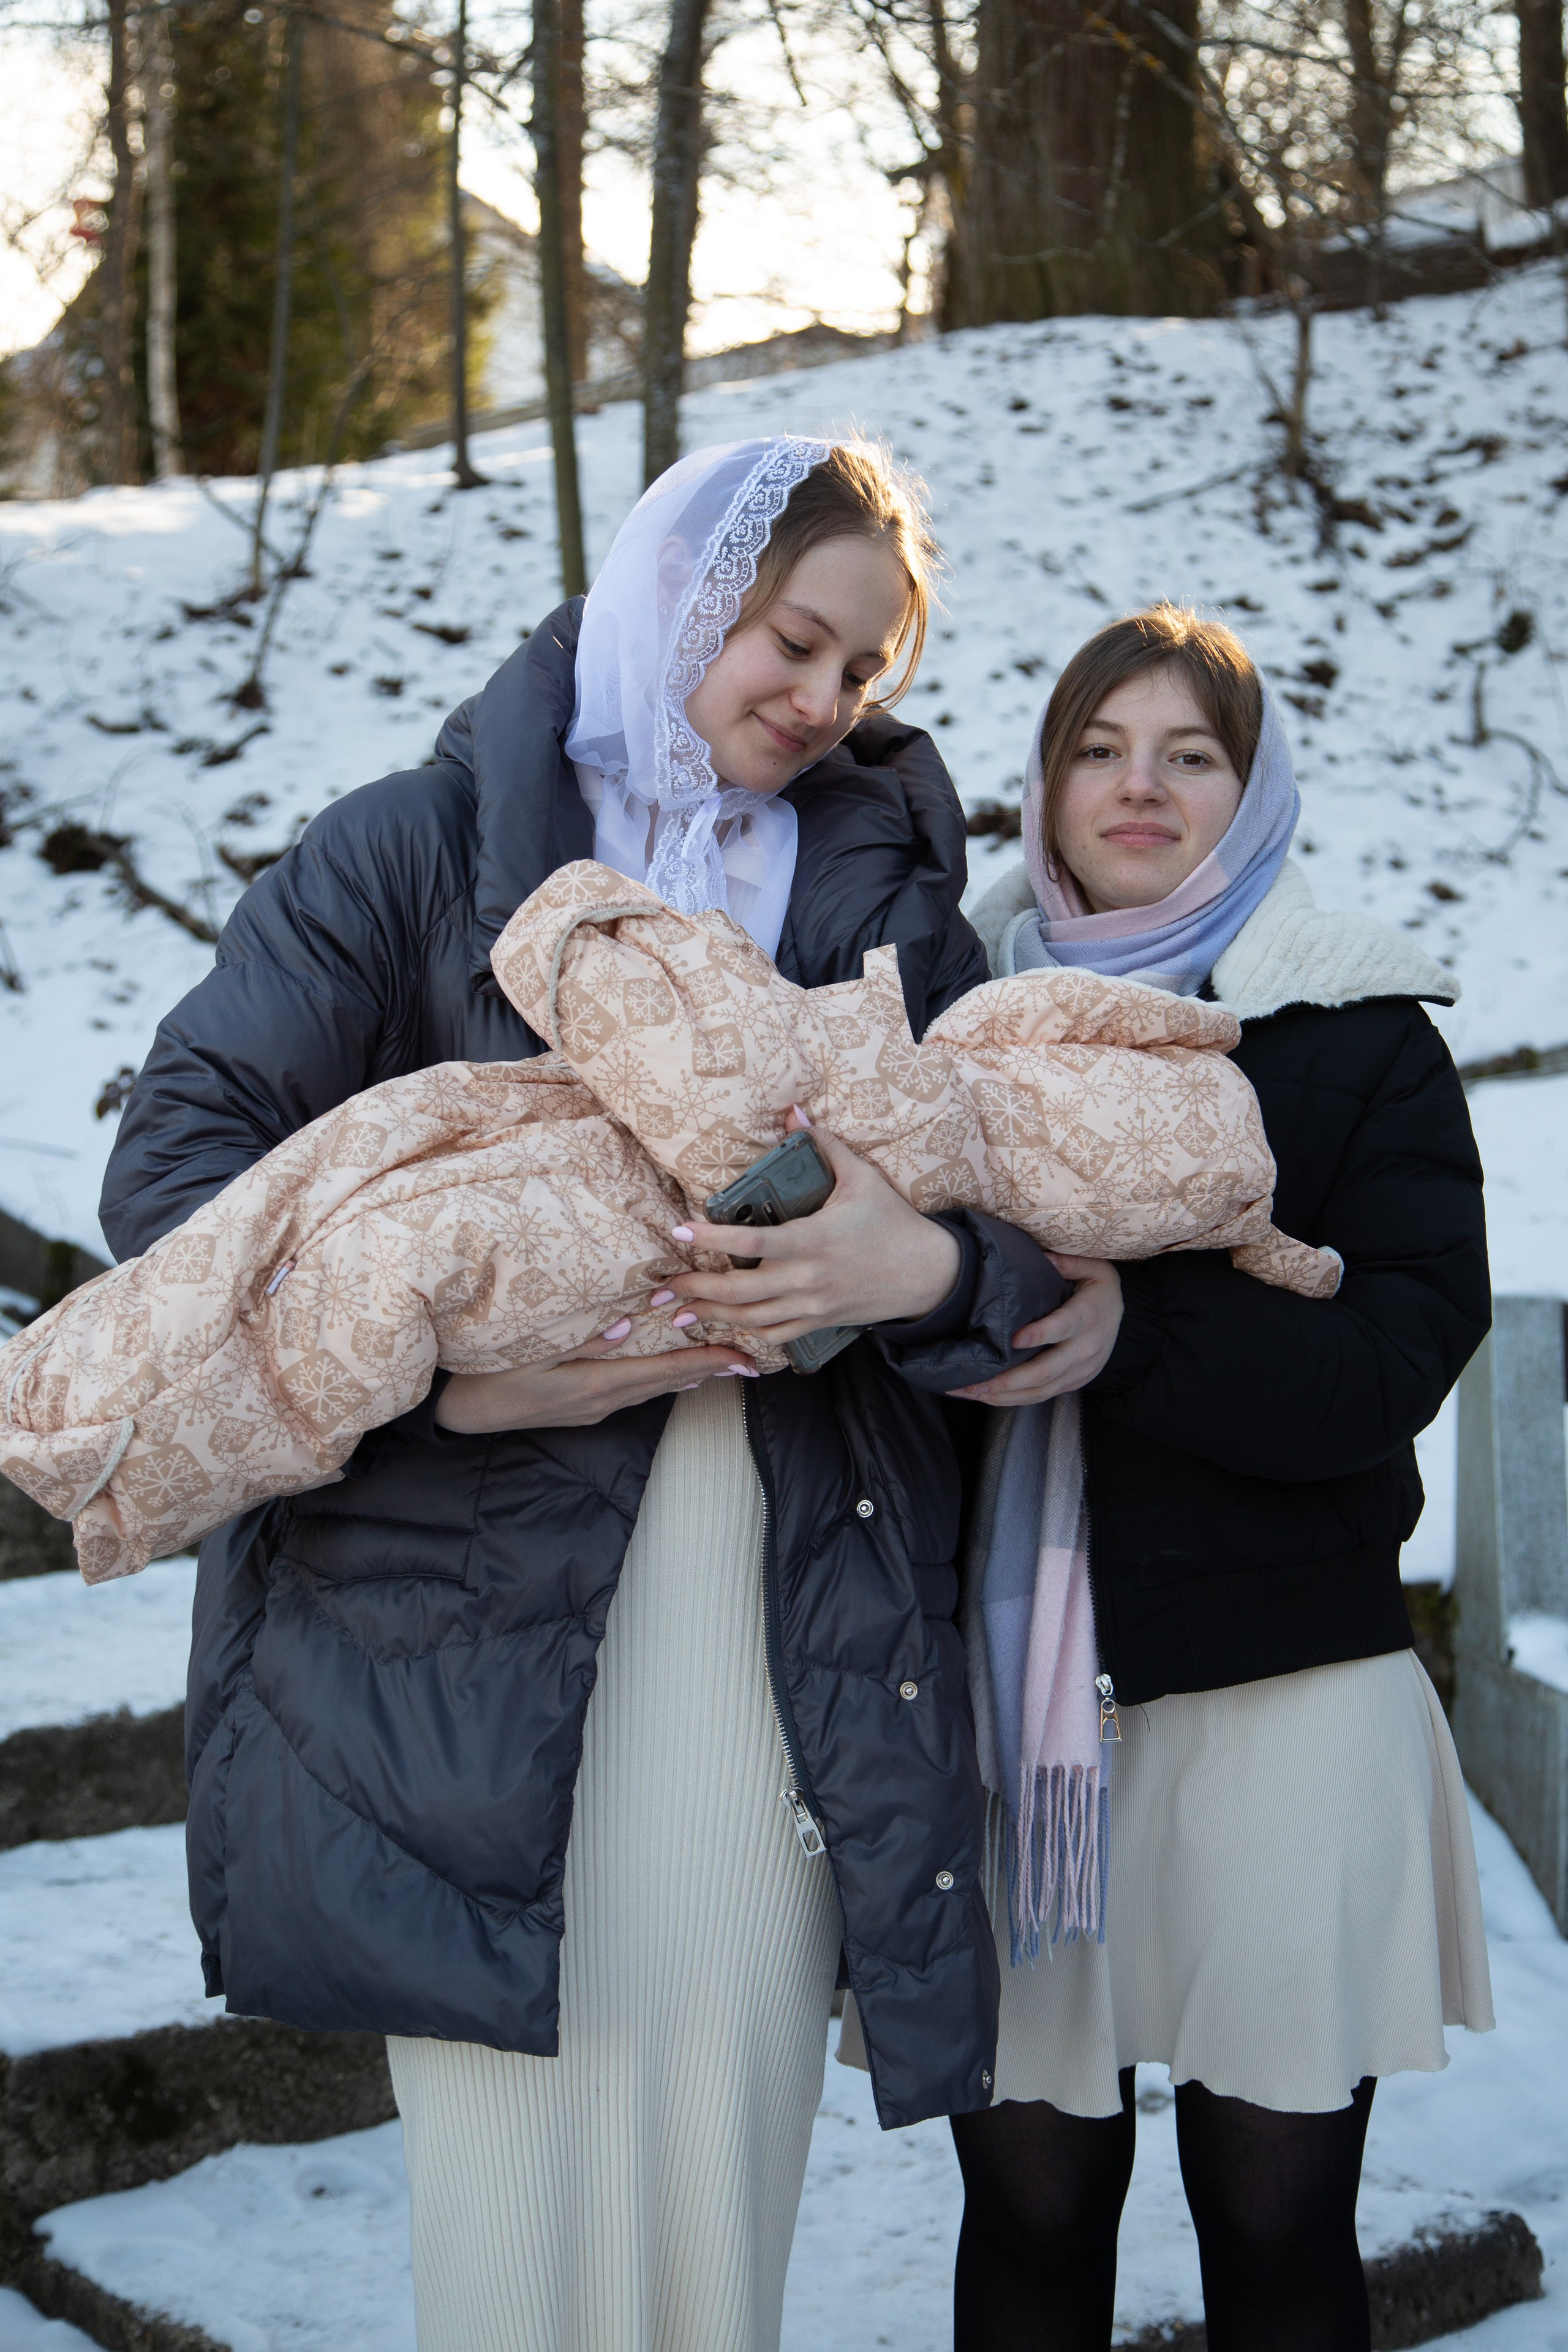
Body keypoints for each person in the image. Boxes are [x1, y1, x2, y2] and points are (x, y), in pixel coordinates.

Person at [96, 437, 1066, 2352]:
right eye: (793, 640)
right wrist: (448, 1376)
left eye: (863, 670)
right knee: (513, 2233)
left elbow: (1033, 1253)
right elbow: (177, 1185)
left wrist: (926, 1272)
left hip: (782, 1631)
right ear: (683, 600)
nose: (823, 699)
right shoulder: (419, 854)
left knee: (719, 2194)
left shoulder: (878, 917)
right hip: (458, 1641)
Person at [852, 603, 1494, 2351]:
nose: (1141, 786)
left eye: (1191, 754)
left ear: (1252, 790)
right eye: (1101, 749)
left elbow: (1395, 1359)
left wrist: (1139, 1329)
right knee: (1031, 2211)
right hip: (1007, 1713)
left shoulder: (1352, 1032)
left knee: (1278, 2225)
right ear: (1047, 786)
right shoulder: (935, 1031)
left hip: (1285, 1711)